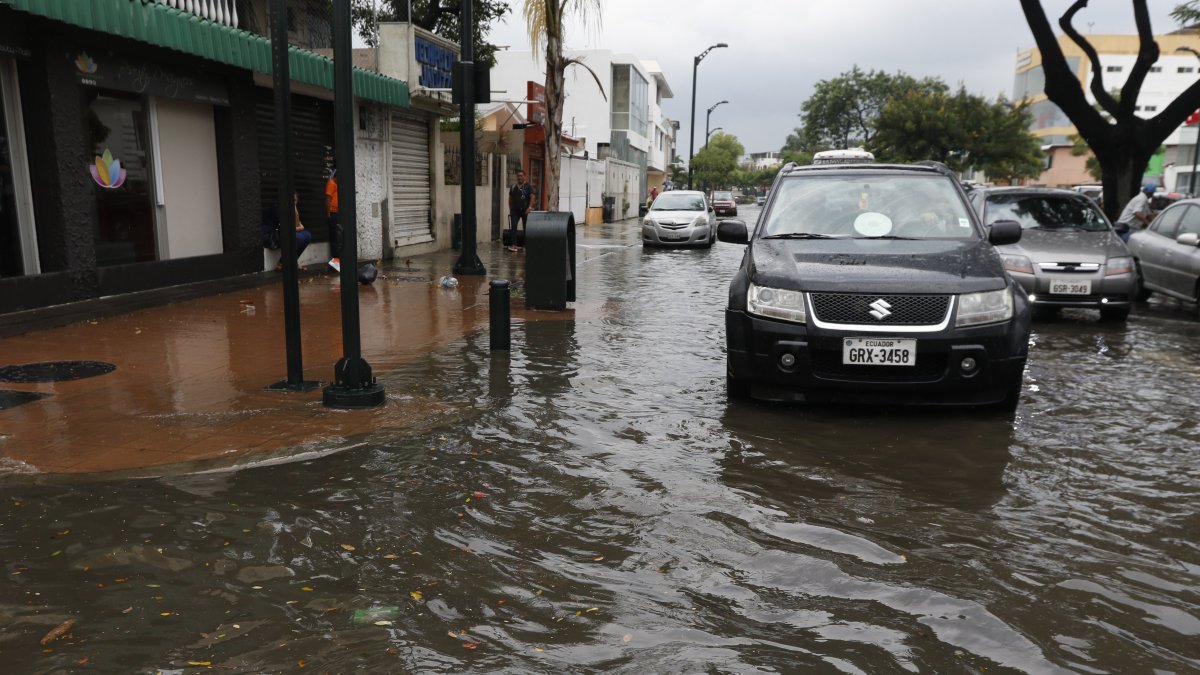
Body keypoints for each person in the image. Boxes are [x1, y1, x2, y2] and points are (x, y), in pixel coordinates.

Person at [273, 193, 311, 271]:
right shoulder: (282, 209)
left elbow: (300, 225)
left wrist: (295, 211)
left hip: (293, 232)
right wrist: (299, 228)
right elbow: (286, 228)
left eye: (295, 200)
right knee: (296, 238)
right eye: (291, 200)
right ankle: (281, 263)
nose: (293, 202)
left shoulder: (295, 210)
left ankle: (293, 262)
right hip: (281, 233)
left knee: (307, 235)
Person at [508, 168, 534, 252]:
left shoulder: (528, 186)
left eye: (521, 176)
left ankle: (525, 245)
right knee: (514, 227)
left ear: (525, 177)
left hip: (525, 210)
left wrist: (529, 207)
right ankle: (514, 245)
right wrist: (511, 209)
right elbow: (510, 198)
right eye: (518, 176)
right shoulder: (513, 187)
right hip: (515, 211)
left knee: (526, 228)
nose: (519, 177)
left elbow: (532, 197)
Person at [325, 169, 342, 266]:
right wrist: (328, 215)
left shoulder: (336, 184)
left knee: (338, 236)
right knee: (335, 238)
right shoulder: (331, 183)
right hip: (332, 213)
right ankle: (336, 261)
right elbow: (328, 199)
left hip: (337, 213)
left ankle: (337, 259)